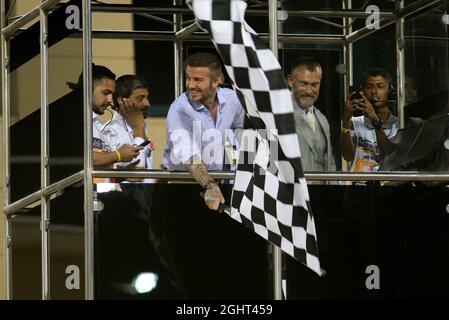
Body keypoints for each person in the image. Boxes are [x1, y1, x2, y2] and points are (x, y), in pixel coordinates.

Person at [162, 52, 245, 210]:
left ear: (216, 81)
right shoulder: (179, 109)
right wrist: (210, 185)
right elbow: (189, 154)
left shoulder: (233, 99)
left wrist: (236, 165)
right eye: (188, 78)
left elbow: (241, 132)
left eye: (198, 80)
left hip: (220, 185)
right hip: (182, 188)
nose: (190, 85)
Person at [67, 64, 142, 168]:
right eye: (106, 93)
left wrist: (120, 176)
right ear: (87, 89)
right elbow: (81, 157)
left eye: (111, 94)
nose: (110, 99)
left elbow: (96, 171)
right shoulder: (70, 120)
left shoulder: (94, 123)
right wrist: (118, 155)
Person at [341, 68, 401, 172]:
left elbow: (389, 157)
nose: (374, 91)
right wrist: (345, 122)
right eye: (369, 87)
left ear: (390, 90)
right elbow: (348, 156)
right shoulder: (355, 122)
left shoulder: (398, 124)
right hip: (359, 186)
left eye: (380, 86)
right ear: (362, 91)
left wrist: (376, 121)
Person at [287, 56, 336, 179]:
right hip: (289, 194)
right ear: (290, 81)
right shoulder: (275, 114)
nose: (309, 91)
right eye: (304, 84)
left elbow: (330, 164)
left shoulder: (322, 119)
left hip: (321, 195)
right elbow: (260, 162)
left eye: (314, 84)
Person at [101, 74, 154, 174]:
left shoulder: (140, 124)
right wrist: (138, 128)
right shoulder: (110, 132)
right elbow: (138, 171)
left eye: (146, 97)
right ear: (122, 101)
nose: (147, 104)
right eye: (140, 98)